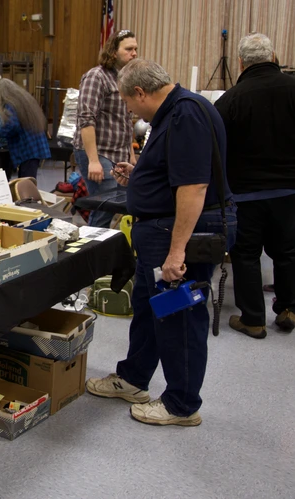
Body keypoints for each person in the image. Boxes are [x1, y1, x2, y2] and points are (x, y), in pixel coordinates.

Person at [86, 59, 236, 426]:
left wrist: (177, 251)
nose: (130, 110)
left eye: (129, 103)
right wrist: (139, 176)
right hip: (159, 229)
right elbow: (177, 172)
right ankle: (134, 378)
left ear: (141, 92)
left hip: (178, 233)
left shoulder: (186, 116)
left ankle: (181, 404)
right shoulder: (176, 113)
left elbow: (194, 187)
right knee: (148, 306)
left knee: (177, 315)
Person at [214, 33, 295, 339]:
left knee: (246, 255)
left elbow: (217, 149)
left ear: (240, 62)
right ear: (274, 57)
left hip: (246, 193)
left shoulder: (231, 99)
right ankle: (289, 307)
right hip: (290, 190)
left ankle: (253, 320)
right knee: (287, 251)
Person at [73, 30, 138, 227]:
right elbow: (86, 119)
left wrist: (131, 154)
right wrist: (93, 160)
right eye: (128, 49)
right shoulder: (96, 77)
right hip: (98, 152)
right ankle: (92, 250)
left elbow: (125, 121)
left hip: (119, 153)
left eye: (135, 49)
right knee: (105, 207)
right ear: (113, 52)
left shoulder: (125, 79)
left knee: (119, 203)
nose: (134, 53)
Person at [0, 78, 50, 179]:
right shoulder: (23, 100)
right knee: (28, 180)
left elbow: (12, 126)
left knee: (26, 182)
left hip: (28, 149)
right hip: (34, 147)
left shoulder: (10, 105)